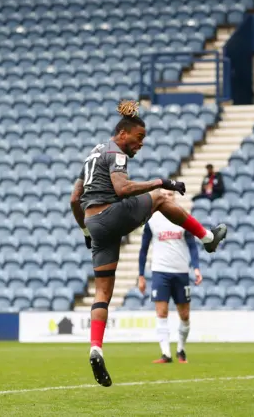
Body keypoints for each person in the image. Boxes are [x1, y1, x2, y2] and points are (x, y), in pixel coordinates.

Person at [69, 100, 227, 387]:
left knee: (102, 292)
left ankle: (95, 348)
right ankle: (207, 238)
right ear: (122, 133)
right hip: (110, 214)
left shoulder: (93, 154)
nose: (140, 145)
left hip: (94, 225)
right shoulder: (117, 154)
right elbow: (122, 188)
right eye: (139, 138)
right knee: (162, 198)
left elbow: (73, 198)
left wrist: (85, 231)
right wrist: (160, 182)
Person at [137, 189, 202, 364]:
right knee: (161, 312)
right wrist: (141, 275)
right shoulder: (152, 221)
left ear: (175, 197)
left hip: (181, 271)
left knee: (185, 314)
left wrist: (196, 268)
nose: (167, 197)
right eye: (164, 195)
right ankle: (166, 353)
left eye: (170, 195)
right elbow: (143, 249)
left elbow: (192, 246)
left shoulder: (182, 218)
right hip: (160, 271)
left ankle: (181, 350)